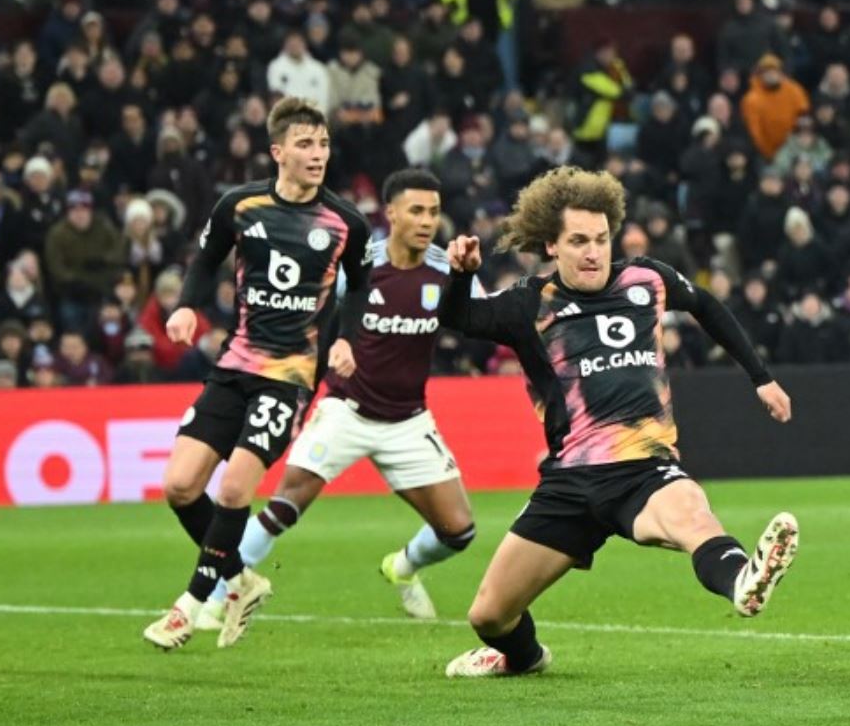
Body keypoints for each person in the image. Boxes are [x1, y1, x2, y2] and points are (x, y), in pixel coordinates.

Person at [436, 167, 798, 677]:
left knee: (693, 516)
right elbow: (457, 318)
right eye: (579, 241)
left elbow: (707, 306)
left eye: (602, 239)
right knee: (489, 614)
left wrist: (760, 376)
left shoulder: (646, 280)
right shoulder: (528, 304)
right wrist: (460, 274)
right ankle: (525, 658)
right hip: (569, 483)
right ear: (550, 246)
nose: (593, 252)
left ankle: (745, 580)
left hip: (643, 469)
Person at [144, 98, 372, 652]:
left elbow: (361, 287)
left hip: (289, 376)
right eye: (305, 145)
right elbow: (205, 259)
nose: (317, 155)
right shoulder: (239, 205)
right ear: (278, 152)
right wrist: (186, 306)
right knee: (179, 486)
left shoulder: (346, 222)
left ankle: (190, 605)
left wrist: (346, 338)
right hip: (235, 364)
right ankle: (241, 581)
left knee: (234, 488)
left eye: (322, 144)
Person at [204, 170, 479, 628]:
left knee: (460, 531)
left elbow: (480, 317)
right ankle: (215, 598)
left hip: (409, 421)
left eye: (433, 211)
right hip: (345, 411)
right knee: (285, 504)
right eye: (416, 210)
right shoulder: (360, 263)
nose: (427, 220)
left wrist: (470, 281)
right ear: (390, 213)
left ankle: (404, 567)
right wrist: (331, 346)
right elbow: (315, 315)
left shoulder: (445, 267)